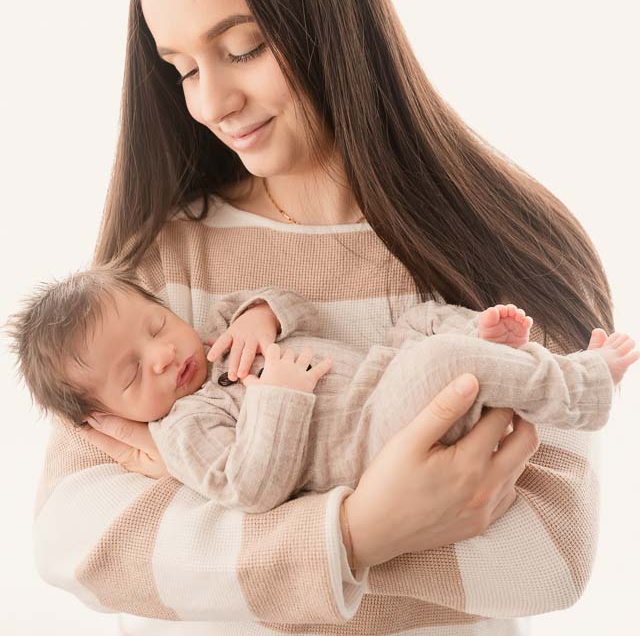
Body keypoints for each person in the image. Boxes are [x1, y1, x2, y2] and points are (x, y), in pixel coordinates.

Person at [32, 0, 616, 636]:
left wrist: (216, 547)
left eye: (243, 48)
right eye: (183, 69)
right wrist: (358, 533)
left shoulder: (507, 243)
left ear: (332, 20)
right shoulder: (156, 271)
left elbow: (547, 556)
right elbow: (81, 543)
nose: (212, 101)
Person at [11, 267, 635, 516]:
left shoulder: (216, 334)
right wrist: (279, 396)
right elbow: (250, 487)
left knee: (424, 322)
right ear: (108, 413)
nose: (162, 356)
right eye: (131, 375)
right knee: (440, 360)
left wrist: (261, 316)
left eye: (155, 327)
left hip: (380, 373)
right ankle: (581, 387)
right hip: (370, 441)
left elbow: (297, 308)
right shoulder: (182, 430)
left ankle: (483, 342)